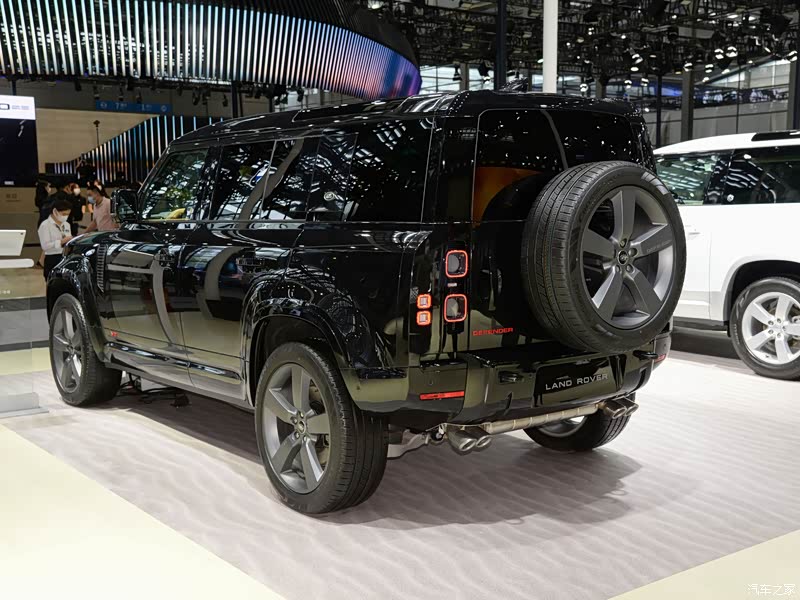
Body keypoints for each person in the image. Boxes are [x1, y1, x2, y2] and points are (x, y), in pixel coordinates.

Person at [38, 198, 73, 279]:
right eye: (63, 214)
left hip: (65, 257)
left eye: (68, 214)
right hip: (52, 258)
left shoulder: (67, 225)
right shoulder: (45, 225)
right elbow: (45, 246)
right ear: (55, 211)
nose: (65, 216)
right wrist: (61, 242)